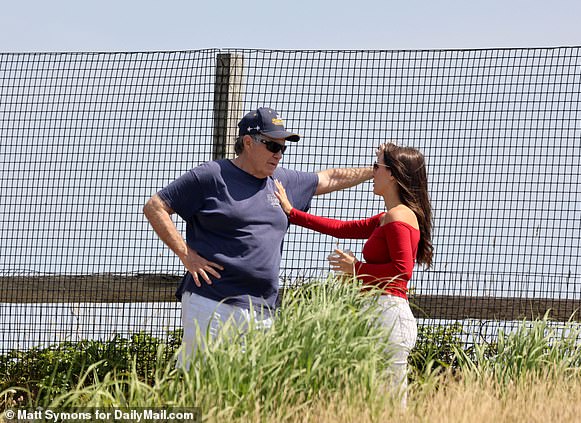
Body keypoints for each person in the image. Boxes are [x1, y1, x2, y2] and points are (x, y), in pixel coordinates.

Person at [143, 107, 372, 367]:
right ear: (249, 142)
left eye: (282, 148)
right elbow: (155, 206)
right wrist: (187, 256)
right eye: (272, 146)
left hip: (262, 310)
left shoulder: (281, 180)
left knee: (250, 390)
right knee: (201, 384)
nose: (278, 155)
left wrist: (375, 170)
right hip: (211, 303)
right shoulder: (211, 175)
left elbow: (329, 178)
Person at [274, 142, 433, 407]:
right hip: (379, 314)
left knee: (390, 405)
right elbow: (341, 228)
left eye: (376, 166)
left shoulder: (399, 216)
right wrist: (292, 213)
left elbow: (401, 271)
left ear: (392, 174)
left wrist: (356, 269)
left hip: (389, 316)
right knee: (375, 402)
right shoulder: (387, 217)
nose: (372, 173)